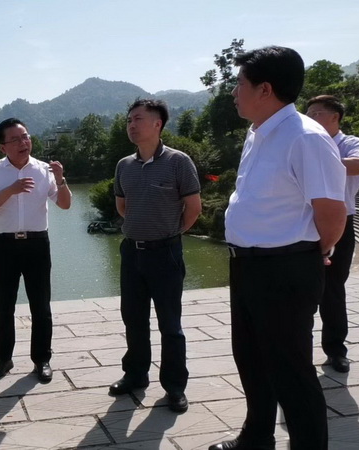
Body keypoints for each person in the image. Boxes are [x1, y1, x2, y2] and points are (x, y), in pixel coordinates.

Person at [210, 47, 346, 450]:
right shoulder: (259, 133)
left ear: (265, 89)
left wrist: (308, 253)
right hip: (248, 266)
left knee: (292, 373)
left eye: (239, 83)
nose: (234, 91)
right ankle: (257, 437)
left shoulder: (305, 137)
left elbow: (332, 213)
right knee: (251, 358)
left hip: (285, 269)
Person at [109, 99, 201, 414]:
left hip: (166, 253)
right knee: (133, 319)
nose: (131, 125)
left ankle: (174, 387)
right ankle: (135, 375)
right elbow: (122, 206)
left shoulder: (178, 162)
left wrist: (170, 234)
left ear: (157, 124)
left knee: (170, 324)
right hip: (132, 253)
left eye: (138, 119)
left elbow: (193, 209)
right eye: (128, 120)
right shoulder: (124, 165)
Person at [0, 118, 72, 383]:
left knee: (41, 305)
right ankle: (3, 359)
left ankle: (42, 359)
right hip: (4, 245)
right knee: (4, 306)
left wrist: (61, 180)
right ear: (2, 147)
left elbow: (65, 204)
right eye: (15, 139)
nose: (23, 143)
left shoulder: (43, 170)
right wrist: (12, 189)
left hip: (37, 244)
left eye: (26, 137)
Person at [306, 95, 359, 373]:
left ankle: (335, 350)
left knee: (333, 289)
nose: (310, 118)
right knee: (302, 289)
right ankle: (298, 351)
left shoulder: (351, 143)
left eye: (316, 113)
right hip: (305, 222)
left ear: (335, 117)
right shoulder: (306, 141)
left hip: (340, 223)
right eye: (308, 114)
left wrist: (322, 161)